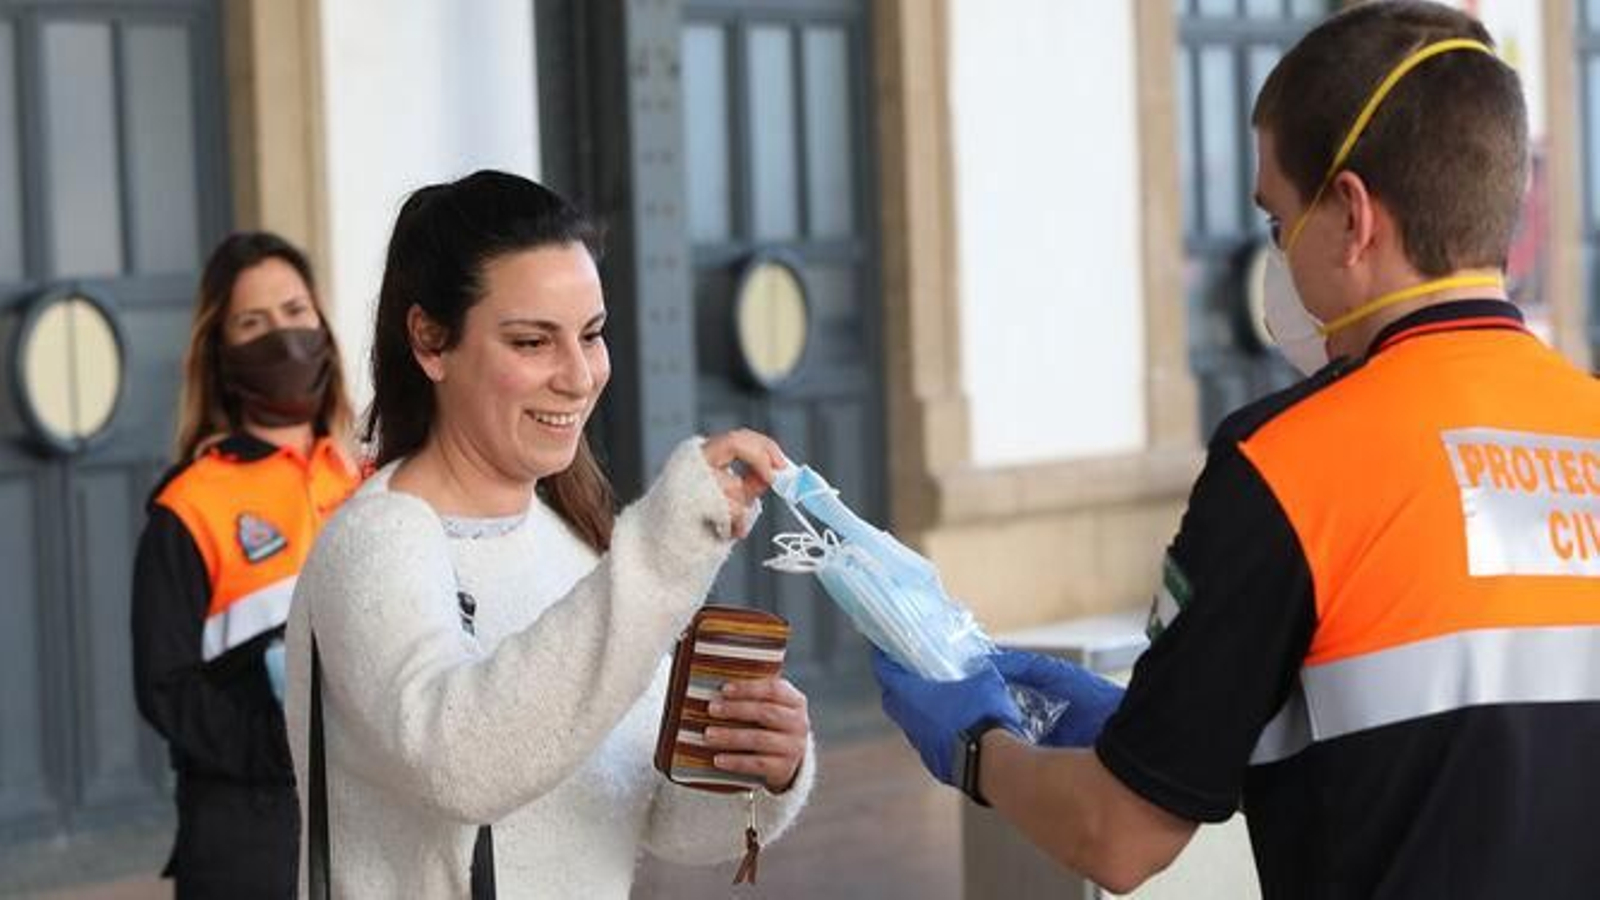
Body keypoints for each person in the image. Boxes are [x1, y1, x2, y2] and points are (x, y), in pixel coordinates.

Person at [871, 3, 1600, 897]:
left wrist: (976, 748)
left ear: (1353, 216)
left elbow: (1117, 835)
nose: (1279, 255)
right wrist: (1176, 728)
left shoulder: (1289, 466)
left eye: (1277, 218)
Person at [283, 170, 815, 898]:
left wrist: (761, 766)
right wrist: (661, 553)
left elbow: (657, 817)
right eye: (532, 341)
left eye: (591, 335)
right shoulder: (378, 542)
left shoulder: (573, 543)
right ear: (431, 341)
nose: (578, 375)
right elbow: (460, 763)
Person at [132, 231, 362, 897]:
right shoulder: (190, 503)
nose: (282, 337)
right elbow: (163, 686)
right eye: (252, 323)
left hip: (368, 815)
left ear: (322, 323)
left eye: (295, 312)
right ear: (222, 351)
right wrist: (276, 750)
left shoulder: (366, 479)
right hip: (249, 829)